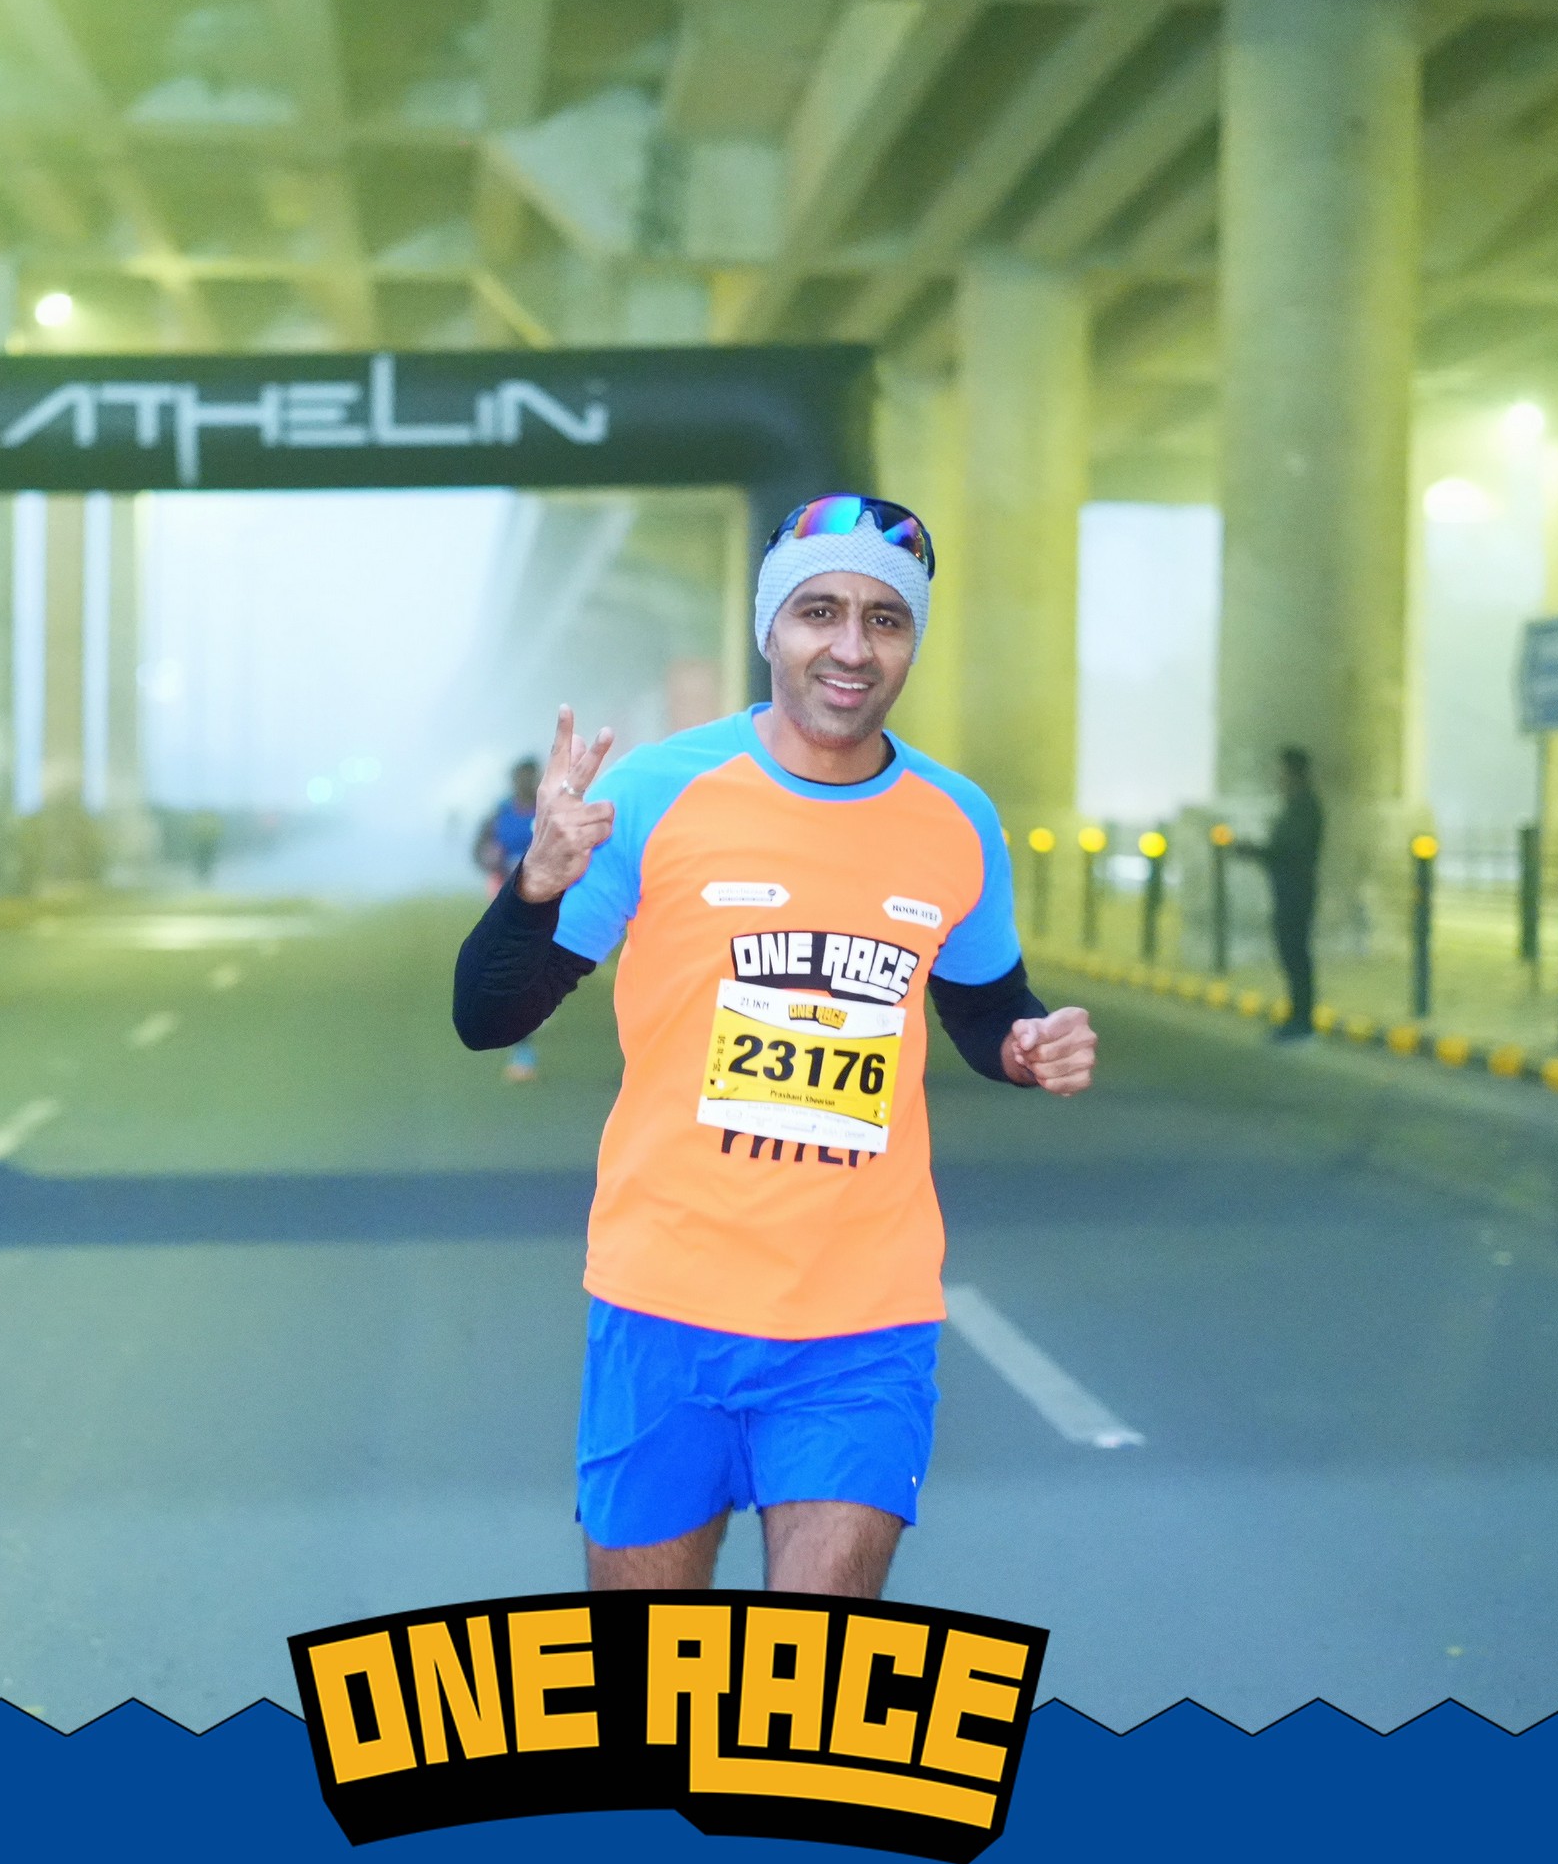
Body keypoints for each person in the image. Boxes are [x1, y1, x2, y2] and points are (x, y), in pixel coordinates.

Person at [450, 493, 1098, 1599]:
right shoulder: (656, 793)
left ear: (912, 642)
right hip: (664, 1305)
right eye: (819, 612)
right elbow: (488, 1016)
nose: (851, 647)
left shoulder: (957, 819)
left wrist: (1028, 1044)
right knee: (648, 1680)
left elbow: (986, 1004)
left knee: (810, 1678)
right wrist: (535, 887)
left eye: (885, 620)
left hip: (863, 1323)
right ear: (769, 629)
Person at [1237, 745, 1322, 1041]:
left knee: (1296, 956)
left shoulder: (1305, 808)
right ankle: (1297, 1017)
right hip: (1288, 891)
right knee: (1291, 955)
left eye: (1282, 772)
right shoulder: (1295, 807)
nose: (1278, 778)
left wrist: (1253, 850)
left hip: (1296, 893)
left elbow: (1289, 851)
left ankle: (1302, 1022)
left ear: (1294, 774)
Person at [474, 759, 546, 1082]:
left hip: (548, 897)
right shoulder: (499, 814)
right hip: (508, 898)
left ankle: (540, 997)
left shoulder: (549, 811)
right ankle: (523, 1051)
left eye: (530, 778)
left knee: (538, 966)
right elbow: (479, 851)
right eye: (521, 778)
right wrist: (492, 860)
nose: (525, 784)